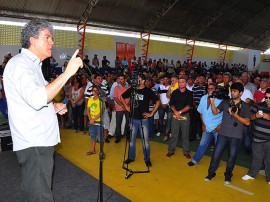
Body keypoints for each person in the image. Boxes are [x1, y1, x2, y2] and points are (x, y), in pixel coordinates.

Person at [3, 19, 83, 201]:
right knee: (40, 197)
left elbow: (33, 99)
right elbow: (38, 98)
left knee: (35, 194)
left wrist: (52, 106)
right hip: (34, 143)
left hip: (38, 142)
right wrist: (67, 73)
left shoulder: (33, 66)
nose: (52, 42)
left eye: (52, 38)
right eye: (47, 37)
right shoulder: (21, 64)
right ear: (32, 40)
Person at [204, 82, 250, 185]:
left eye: (235, 91)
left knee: (232, 157)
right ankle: (211, 173)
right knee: (216, 155)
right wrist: (212, 102)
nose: (232, 93)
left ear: (241, 93)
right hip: (223, 134)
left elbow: (247, 122)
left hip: (236, 136)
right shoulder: (225, 102)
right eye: (231, 91)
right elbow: (215, 112)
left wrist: (235, 115)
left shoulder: (245, 106)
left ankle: (228, 176)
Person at [121, 75, 160, 167]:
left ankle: (147, 159)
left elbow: (157, 101)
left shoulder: (148, 90)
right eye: (136, 78)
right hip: (133, 118)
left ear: (143, 81)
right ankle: (131, 157)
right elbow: (122, 97)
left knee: (145, 141)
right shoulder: (132, 89)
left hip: (143, 120)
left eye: (138, 79)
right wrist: (126, 107)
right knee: (131, 140)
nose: (136, 80)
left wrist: (151, 113)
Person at [188, 83, 223, 166]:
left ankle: (216, 162)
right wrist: (203, 124)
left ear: (216, 90)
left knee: (218, 147)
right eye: (209, 88)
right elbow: (201, 113)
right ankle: (195, 160)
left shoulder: (220, 100)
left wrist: (220, 125)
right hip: (206, 127)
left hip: (217, 127)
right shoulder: (203, 98)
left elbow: (225, 115)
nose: (210, 90)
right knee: (202, 144)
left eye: (212, 88)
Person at [242, 88, 270, 184]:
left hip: (269, 140)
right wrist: (256, 116)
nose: (268, 99)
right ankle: (252, 174)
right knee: (256, 157)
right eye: (266, 97)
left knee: (268, 159)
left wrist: (269, 117)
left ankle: (269, 178)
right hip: (257, 138)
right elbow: (249, 116)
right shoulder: (259, 106)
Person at [166, 77, 193, 159]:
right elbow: (171, 104)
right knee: (174, 134)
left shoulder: (189, 93)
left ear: (186, 83)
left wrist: (179, 112)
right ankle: (171, 150)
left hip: (185, 116)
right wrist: (175, 112)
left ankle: (186, 152)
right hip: (175, 116)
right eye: (180, 82)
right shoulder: (174, 93)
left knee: (185, 134)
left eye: (183, 82)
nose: (181, 83)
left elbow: (189, 106)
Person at [86, 86, 105, 158]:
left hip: (98, 121)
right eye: (93, 90)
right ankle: (93, 149)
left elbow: (101, 111)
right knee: (92, 136)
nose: (95, 92)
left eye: (96, 90)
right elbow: (88, 110)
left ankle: (102, 151)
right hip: (91, 121)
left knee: (101, 138)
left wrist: (93, 120)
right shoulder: (90, 99)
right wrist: (90, 119)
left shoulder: (101, 100)